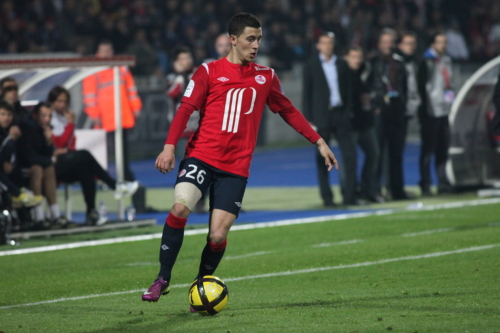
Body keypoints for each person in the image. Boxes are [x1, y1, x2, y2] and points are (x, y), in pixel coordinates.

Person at [142, 12, 337, 306]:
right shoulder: (208, 72)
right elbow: (184, 110)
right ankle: (162, 278)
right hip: (201, 156)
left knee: (218, 236)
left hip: (235, 168)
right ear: (233, 40)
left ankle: (201, 285)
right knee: (181, 208)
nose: (256, 44)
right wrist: (169, 147)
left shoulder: (266, 76)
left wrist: (319, 141)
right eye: (250, 38)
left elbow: (288, 110)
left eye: (259, 39)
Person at [48, 86, 139, 225]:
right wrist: (70, 125)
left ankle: (92, 213)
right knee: (84, 155)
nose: (62, 104)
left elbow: (67, 145)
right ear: (52, 102)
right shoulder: (50, 119)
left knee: (86, 171)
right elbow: (60, 142)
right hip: (51, 164)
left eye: (65, 101)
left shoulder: (64, 118)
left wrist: (68, 129)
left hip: (64, 160)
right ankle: (114, 185)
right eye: (59, 101)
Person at [302, 32, 358, 207]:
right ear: (318, 46)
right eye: (324, 43)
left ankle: (350, 196)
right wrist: (308, 120)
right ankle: (327, 198)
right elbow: (307, 94)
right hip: (321, 116)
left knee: (350, 155)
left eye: (330, 43)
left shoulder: (341, 64)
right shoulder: (311, 65)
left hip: (339, 114)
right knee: (322, 158)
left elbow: (349, 89)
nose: (327, 46)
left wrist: (348, 110)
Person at [82, 40, 142, 182]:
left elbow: (131, 90)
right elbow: (89, 96)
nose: (106, 53)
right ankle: (102, 179)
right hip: (104, 119)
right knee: (102, 152)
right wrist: (94, 114)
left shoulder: (121, 68)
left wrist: (136, 108)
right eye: (103, 50)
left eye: (108, 50)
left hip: (122, 117)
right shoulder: (93, 69)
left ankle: (125, 177)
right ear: (98, 51)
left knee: (122, 153)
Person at [367, 28, 408, 200]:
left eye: (390, 42)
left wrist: (403, 104)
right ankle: (375, 190)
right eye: (384, 42)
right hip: (379, 111)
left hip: (396, 111)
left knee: (396, 153)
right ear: (379, 44)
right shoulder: (372, 62)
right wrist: (374, 103)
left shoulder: (399, 62)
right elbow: (367, 85)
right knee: (377, 152)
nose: (387, 45)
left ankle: (396, 190)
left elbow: (404, 86)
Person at [16, 102, 70, 230]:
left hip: (36, 164)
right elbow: (29, 157)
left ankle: (55, 213)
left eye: (49, 116)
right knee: (38, 169)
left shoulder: (44, 129)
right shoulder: (27, 127)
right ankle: (38, 215)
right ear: (35, 115)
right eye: (43, 116)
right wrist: (51, 160)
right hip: (21, 167)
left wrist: (48, 141)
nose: (47, 119)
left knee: (49, 169)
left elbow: (44, 154)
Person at [417, 32, 453, 195]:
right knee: (428, 149)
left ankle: (443, 182)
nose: (443, 45)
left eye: (444, 42)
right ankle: (425, 183)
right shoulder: (425, 62)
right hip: (430, 112)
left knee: (442, 149)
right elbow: (421, 87)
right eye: (439, 42)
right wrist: (424, 111)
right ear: (432, 44)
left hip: (444, 110)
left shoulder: (446, 60)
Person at [343, 45, 380, 203]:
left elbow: (372, 89)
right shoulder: (342, 74)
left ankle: (367, 190)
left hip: (365, 121)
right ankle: (349, 193)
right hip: (349, 123)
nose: (357, 61)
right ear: (346, 58)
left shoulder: (365, 71)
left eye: (359, 57)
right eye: (354, 57)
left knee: (374, 154)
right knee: (349, 160)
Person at [0, 101, 43, 210]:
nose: (6, 118)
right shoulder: (8, 135)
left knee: (18, 166)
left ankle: (20, 197)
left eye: (9, 115)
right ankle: (17, 194)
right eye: (3, 114)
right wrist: (10, 140)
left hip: (8, 169)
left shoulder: (11, 131)